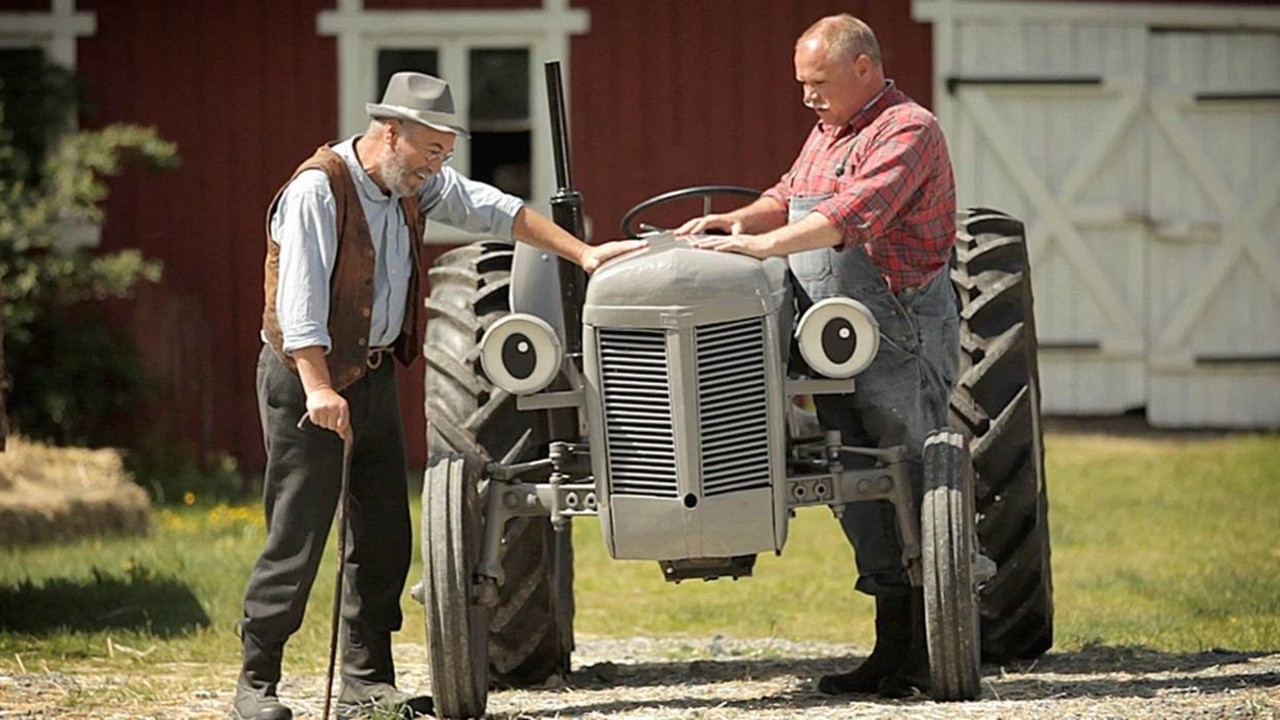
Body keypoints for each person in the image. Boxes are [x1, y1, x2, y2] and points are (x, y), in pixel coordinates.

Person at [238, 72, 644, 720]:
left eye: (445, 155)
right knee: (298, 535)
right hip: (307, 378)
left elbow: (497, 210)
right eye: (432, 150)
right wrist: (317, 388)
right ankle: (256, 686)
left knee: (384, 536)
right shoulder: (320, 189)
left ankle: (367, 680)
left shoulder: (409, 183)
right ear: (390, 132)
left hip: (369, 376)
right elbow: (299, 306)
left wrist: (584, 254)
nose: (439, 166)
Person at [676, 15, 958, 698]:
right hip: (832, 335)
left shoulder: (908, 130)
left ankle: (936, 644)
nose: (806, 96)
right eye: (801, 83)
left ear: (864, 68)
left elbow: (852, 214)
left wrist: (763, 248)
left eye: (818, 82)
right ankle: (892, 644)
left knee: (912, 472)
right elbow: (792, 192)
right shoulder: (833, 127)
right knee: (859, 484)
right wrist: (737, 222)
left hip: (896, 329)